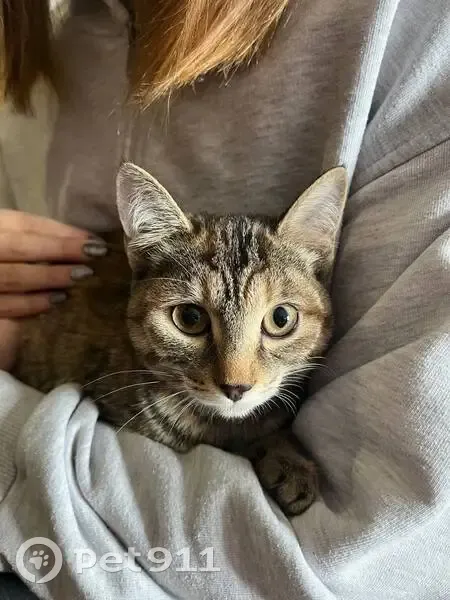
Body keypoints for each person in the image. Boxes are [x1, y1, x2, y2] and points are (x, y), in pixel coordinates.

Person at [0, 0, 448, 598]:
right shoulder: (55, 33)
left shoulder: (414, 32)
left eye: (279, 319)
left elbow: (342, 565)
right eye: (190, 318)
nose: (236, 376)